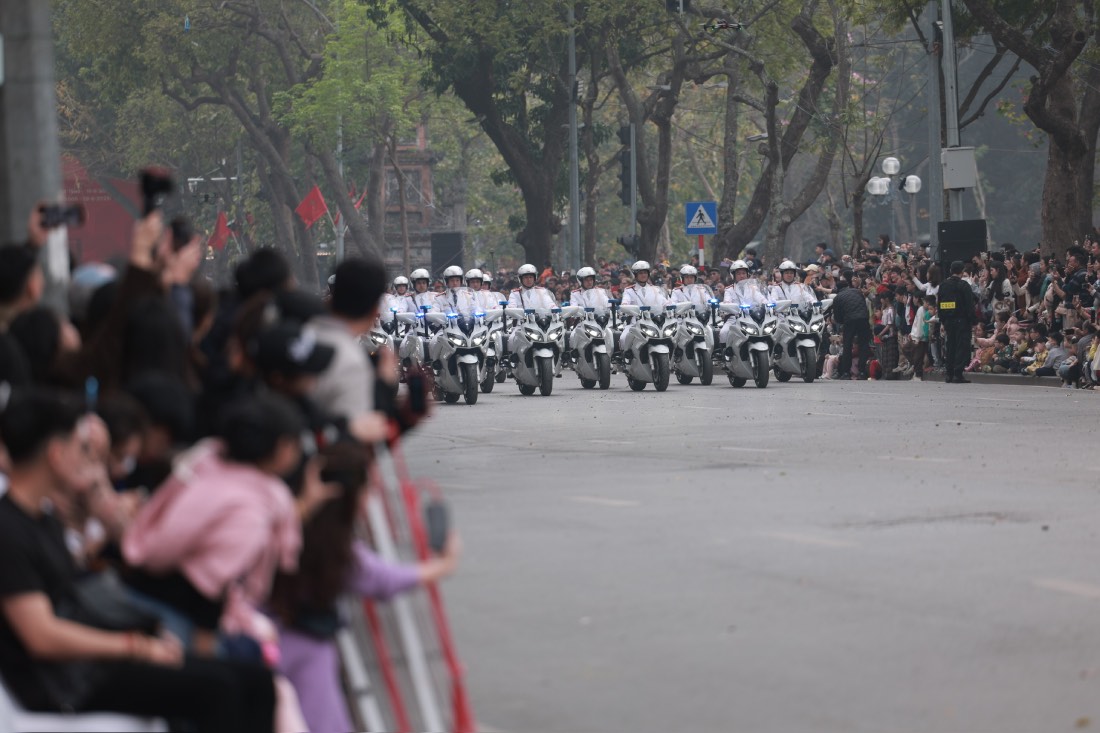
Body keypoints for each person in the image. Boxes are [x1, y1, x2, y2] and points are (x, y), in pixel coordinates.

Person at [0, 388, 276, 731]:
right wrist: (134, 647)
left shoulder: (41, 518)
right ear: (56, 454)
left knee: (257, 682)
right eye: (82, 449)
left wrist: (142, 635)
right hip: (60, 679)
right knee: (219, 690)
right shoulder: (9, 529)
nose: (89, 461)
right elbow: (41, 636)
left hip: (81, 663)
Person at [269, 441, 461, 733]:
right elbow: (384, 579)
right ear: (351, 496)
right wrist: (445, 564)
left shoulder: (274, 524)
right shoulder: (336, 551)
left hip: (252, 652)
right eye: (367, 488)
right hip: (306, 653)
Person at [619, 261, 669, 365]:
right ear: (635, 275)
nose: (643, 275)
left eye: (645, 272)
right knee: (623, 338)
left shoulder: (655, 289)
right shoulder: (629, 290)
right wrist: (626, 306)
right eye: (640, 273)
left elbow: (664, 302)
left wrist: (671, 306)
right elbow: (625, 303)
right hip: (635, 323)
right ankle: (627, 359)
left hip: (654, 322)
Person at [937, 260, 978, 383]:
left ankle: (949, 374)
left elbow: (939, 304)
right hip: (962, 321)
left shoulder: (943, 285)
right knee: (962, 346)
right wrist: (974, 321)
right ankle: (957, 374)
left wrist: (943, 320)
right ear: (962, 271)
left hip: (948, 321)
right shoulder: (963, 285)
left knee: (951, 346)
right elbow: (969, 305)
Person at [833, 272, 871, 380]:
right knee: (864, 345)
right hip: (863, 318)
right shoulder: (857, 292)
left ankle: (846, 372)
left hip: (849, 320)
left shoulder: (838, 298)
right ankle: (862, 372)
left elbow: (837, 317)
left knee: (847, 345)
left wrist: (842, 322)